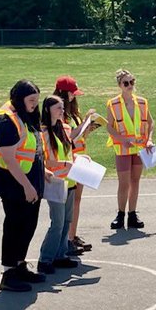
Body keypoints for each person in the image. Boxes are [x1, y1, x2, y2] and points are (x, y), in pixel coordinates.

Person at [0, 80, 47, 292]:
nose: (34, 105)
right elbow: (9, 159)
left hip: (30, 177)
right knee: (15, 225)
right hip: (14, 182)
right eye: (31, 100)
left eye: (36, 100)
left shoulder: (24, 114)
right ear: (19, 98)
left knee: (29, 224)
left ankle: (20, 265)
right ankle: (9, 272)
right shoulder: (5, 119)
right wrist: (27, 186)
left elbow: (31, 146)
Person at [37, 95, 82, 275]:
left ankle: (60, 255)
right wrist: (64, 165)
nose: (62, 111)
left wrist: (79, 158)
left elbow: (69, 152)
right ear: (48, 109)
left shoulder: (65, 128)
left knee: (66, 221)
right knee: (57, 222)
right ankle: (45, 259)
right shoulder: (43, 132)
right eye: (58, 108)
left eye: (63, 108)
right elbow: (45, 161)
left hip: (70, 181)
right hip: (55, 182)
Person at [105, 68, 154, 230]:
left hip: (139, 148)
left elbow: (150, 122)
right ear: (119, 85)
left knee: (135, 181)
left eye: (132, 82)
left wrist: (149, 140)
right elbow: (109, 127)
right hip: (123, 149)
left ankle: (132, 214)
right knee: (124, 183)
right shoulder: (113, 104)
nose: (130, 85)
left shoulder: (142, 102)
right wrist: (122, 140)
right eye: (126, 83)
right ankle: (120, 214)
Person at [54, 76, 97, 256]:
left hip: (78, 158)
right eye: (72, 93)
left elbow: (77, 136)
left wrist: (87, 128)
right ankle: (68, 239)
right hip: (70, 161)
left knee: (76, 200)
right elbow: (68, 137)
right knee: (70, 202)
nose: (74, 97)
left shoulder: (71, 112)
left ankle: (72, 235)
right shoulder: (59, 113)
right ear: (64, 93)